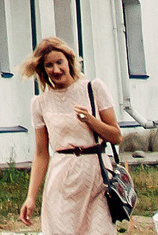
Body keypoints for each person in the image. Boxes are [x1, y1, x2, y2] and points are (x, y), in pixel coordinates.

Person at [22, 36, 123, 235]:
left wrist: (91, 121)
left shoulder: (93, 89)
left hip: (96, 175)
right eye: (49, 65)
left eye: (59, 62)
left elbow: (116, 136)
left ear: (69, 61)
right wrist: (31, 197)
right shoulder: (40, 103)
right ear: (42, 70)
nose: (56, 69)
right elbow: (42, 154)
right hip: (61, 177)